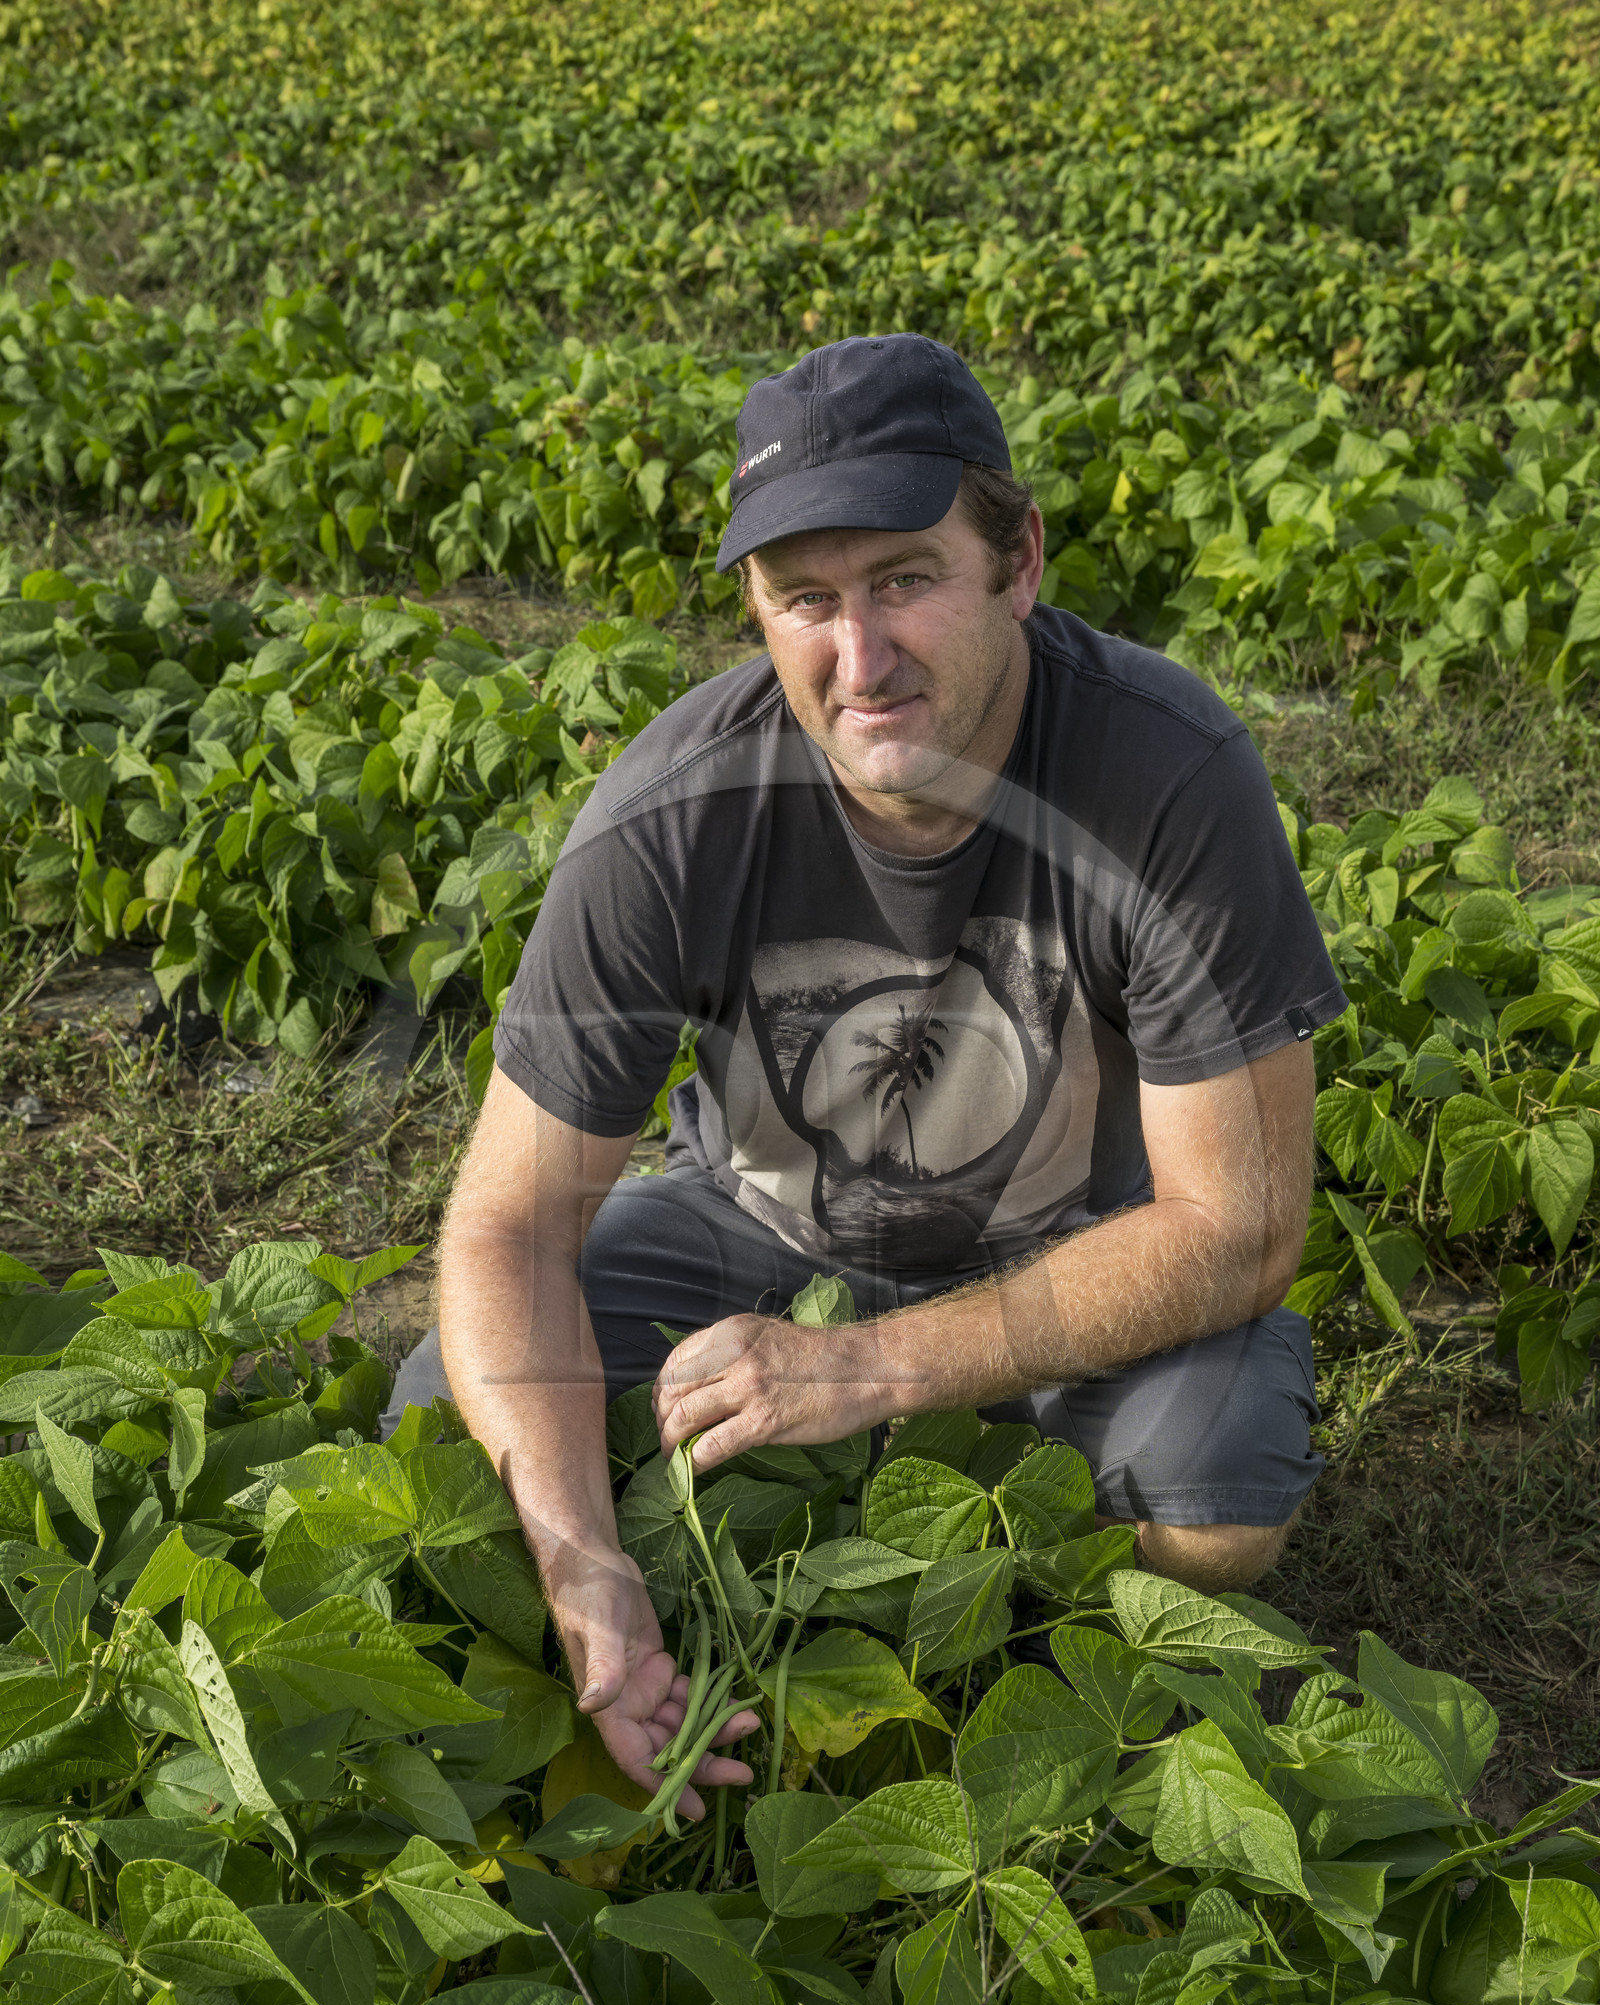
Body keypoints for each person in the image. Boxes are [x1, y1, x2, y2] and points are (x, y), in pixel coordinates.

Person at [397, 334, 1345, 1824]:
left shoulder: (1164, 774)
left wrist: (868, 1370)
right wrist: (584, 1563)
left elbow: (1240, 1228)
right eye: (806, 602)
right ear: (757, 612)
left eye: (905, 579)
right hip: (763, 1234)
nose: (860, 658)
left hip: (1080, 1258)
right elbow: (510, 1227)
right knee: (448, 1417)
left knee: (1211, 1489)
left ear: (1019, 559)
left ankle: (1064, 1714)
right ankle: (701, 1623)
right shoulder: (671, 815)